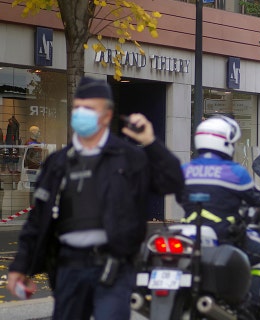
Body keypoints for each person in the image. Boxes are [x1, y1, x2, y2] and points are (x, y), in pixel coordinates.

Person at [7, 76, 184, 319]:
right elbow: (37, 220)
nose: (81, 113)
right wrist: (20, 267)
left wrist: (151, 143)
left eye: (89, 109)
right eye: (78, 108)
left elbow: (172, 180)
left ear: (107, 115)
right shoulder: (57, 163)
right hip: (67, 267)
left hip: (113, 267)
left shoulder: (128, 158)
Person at [181, 116, 260, 317]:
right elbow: (257, 199)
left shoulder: (184, 170)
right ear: (225, 142)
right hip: (221, 234)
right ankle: (253, 304)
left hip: (187, 234)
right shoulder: (235, 172)